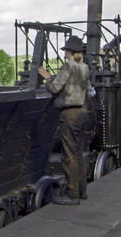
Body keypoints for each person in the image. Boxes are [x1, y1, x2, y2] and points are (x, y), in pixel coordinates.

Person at [38, 35, 90, 206]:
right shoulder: (84, 67)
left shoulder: (69, 66)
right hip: (82, 111)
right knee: (78, 153)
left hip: (70, 114)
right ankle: (82, 191)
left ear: (68, 51)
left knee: (68, 155)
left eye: (65, 51)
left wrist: (47, 77)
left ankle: (72, 194)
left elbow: (54, 88)